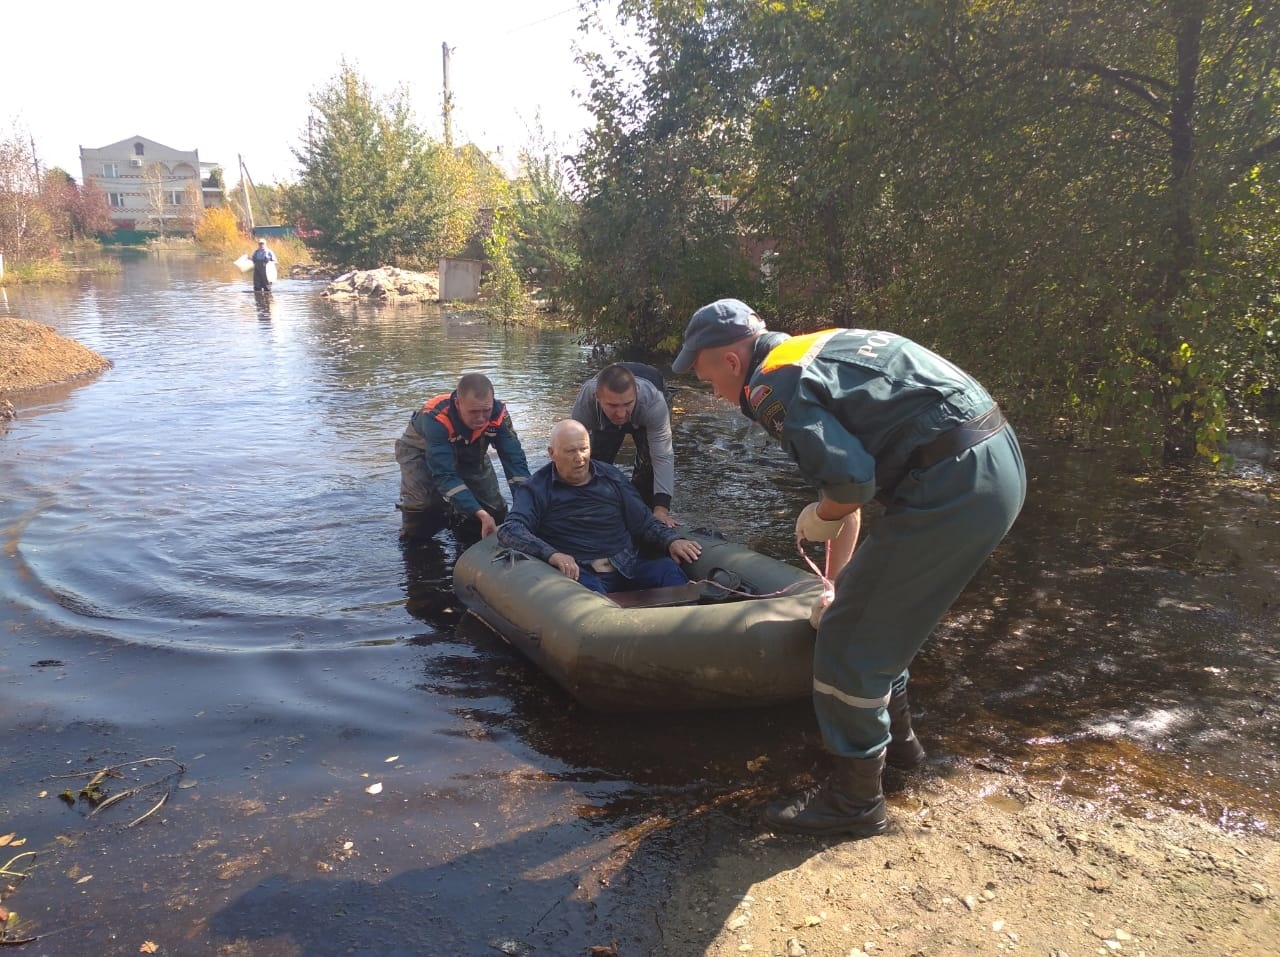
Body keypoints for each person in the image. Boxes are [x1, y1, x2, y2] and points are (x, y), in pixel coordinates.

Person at [672, 298, 1026, 838]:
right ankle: (903, 754)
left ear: (730, 361)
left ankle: (856, 801)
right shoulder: (812, 348)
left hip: (953, 484)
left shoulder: (772, 386)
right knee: (876, 621)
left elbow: (848, 488)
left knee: (846, 640)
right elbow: (854, 488)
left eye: (706, 377)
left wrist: (818, 517)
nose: (713, 393)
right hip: (992, 459)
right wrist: (833, 581)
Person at [497, 420, 702, 594]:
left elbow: (643, 522)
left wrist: (671, 541)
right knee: (590, 601)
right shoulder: (536, 489)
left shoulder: (612, 477)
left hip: (627, 564)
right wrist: (553, 555)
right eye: (570, 451)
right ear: (552, 453)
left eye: (584, 449)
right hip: (580, 571)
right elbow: (511, 529)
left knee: (668, 570)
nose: (579, 458)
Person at [395, 373, 531, 541]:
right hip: (420, 450)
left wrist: (526, 507)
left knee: (495, 511)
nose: (481, 418)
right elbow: (444, 474)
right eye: (473, 412)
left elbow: (515, 461)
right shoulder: (435, 417)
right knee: (424, 506)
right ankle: (414, 542)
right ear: (458, 404)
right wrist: (480, 514)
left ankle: (465, 528)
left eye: (486, 411)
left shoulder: (499, 414)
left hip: (470, 446)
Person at [570, 362, 678, 528]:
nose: (620, 414)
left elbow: (663, 456)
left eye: (627, 404)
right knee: (597, 463)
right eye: (613, 406)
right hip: (604, 418)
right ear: (597, 397)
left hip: (646, 409)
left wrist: (661, 510)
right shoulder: (587, 399)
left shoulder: (654, 402)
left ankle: (641, 513)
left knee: (647, 470)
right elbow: (571, 449)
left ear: (636, 394)